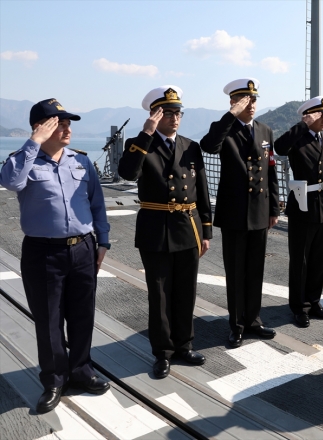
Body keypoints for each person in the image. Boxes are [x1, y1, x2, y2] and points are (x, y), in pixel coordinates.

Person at [0, 99, 110, 413]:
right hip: (42, 252)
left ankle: (81, 369)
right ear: (42, 126)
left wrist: (102, 241)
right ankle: (54, 378)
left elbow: (97, 204)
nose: (67, 128)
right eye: (59, 123)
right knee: (48, 320)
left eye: (68, 123)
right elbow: (9, 181)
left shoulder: (82, 162)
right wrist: (33, 140)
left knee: (82, 314)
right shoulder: (23, 162)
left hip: (83, 248)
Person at [118, 86, 212, 378]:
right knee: (159, 296)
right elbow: (128, 173)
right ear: (154, 115)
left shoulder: (190, 146)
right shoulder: (140, 144)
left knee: (186, 291)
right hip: (156, 229)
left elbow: (203, 191)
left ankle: (184, 345)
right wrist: (146, 134)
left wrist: (206, 229)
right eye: (167, 112)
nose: (173, 117)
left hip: (188, 227)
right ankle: (163, 353)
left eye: (177, 112)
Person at [200, 78, 279, 348]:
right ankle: (236, 325)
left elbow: (271, 172)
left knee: (256, 270)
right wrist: (231, 116)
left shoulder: (265, 131)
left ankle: (254, 320)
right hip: (234, 212)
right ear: (234, 102)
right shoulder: (224, 129)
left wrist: (274, 208)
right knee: (235, 272)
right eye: (245, 100)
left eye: (254, 99)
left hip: (259, 211)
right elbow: (208, 145)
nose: (251, 105)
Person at [274, 96, 323, 328]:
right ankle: (299, 307)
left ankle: (314, 301)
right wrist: (302, 125)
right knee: (301, 261)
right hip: (302, 206)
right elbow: (278, 147)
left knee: (319, 259)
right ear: (310, 117)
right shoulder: (297, 140)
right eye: (321, 115)